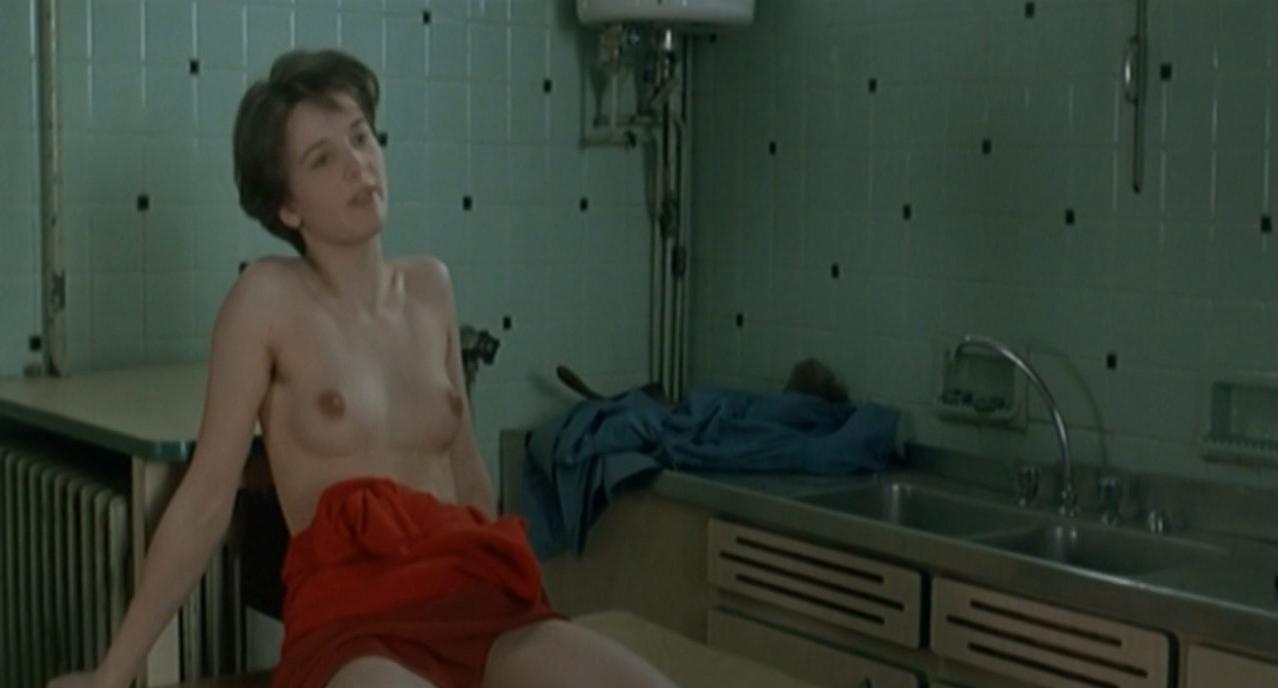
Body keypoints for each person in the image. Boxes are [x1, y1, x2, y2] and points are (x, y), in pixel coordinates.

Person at [49, 49, 676, 688]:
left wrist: (519, 596)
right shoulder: (265, 301)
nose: (358, 165)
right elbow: (205, 502)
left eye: (361, 137)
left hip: (474, 598)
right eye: (322, 159)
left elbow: (467, 471)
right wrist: (111, 675)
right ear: (287, 207)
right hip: (353, 620)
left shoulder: (431, 286)